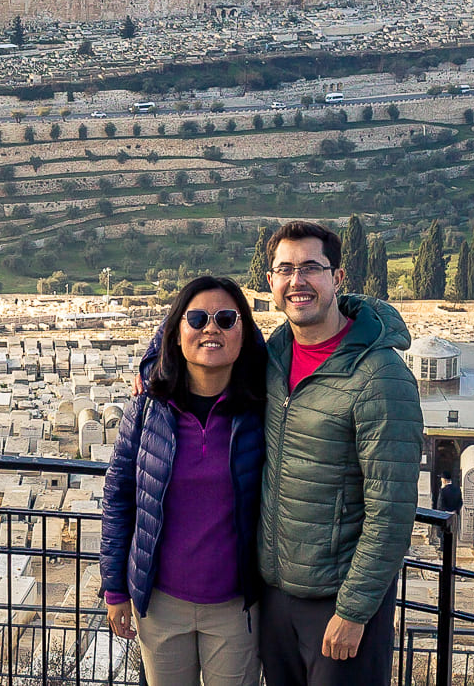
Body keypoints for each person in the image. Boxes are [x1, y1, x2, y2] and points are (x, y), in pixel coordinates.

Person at [256, 220, 423, 686]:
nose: (297, 281)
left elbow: (390, 509)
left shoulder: (380, 376)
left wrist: (353, 611)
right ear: (270, 281)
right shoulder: (273, 355)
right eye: (285, 269)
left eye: (311, 267)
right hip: (276, 593)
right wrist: (153, 363)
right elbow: (200, 338)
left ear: (338, 277)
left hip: (339, 602)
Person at [100, 275, 267, 686]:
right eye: (197, 318)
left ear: (243, 335)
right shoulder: (146, 409)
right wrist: (115, 589)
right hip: (160, 605)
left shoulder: (261, 412)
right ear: (176, 334)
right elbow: (119, 497)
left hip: (235, 608)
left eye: (227, 319)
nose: (212, 328)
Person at [435, 472, 464, 546]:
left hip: (444, 515)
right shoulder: (457, 489)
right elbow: (460, 502)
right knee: (452, 532)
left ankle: (443, 548)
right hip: (454, 514)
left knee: (443, 533)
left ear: (444, 480)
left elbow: (441, 504)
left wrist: (444, 511)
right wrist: (455, 510)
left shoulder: (443, 490)